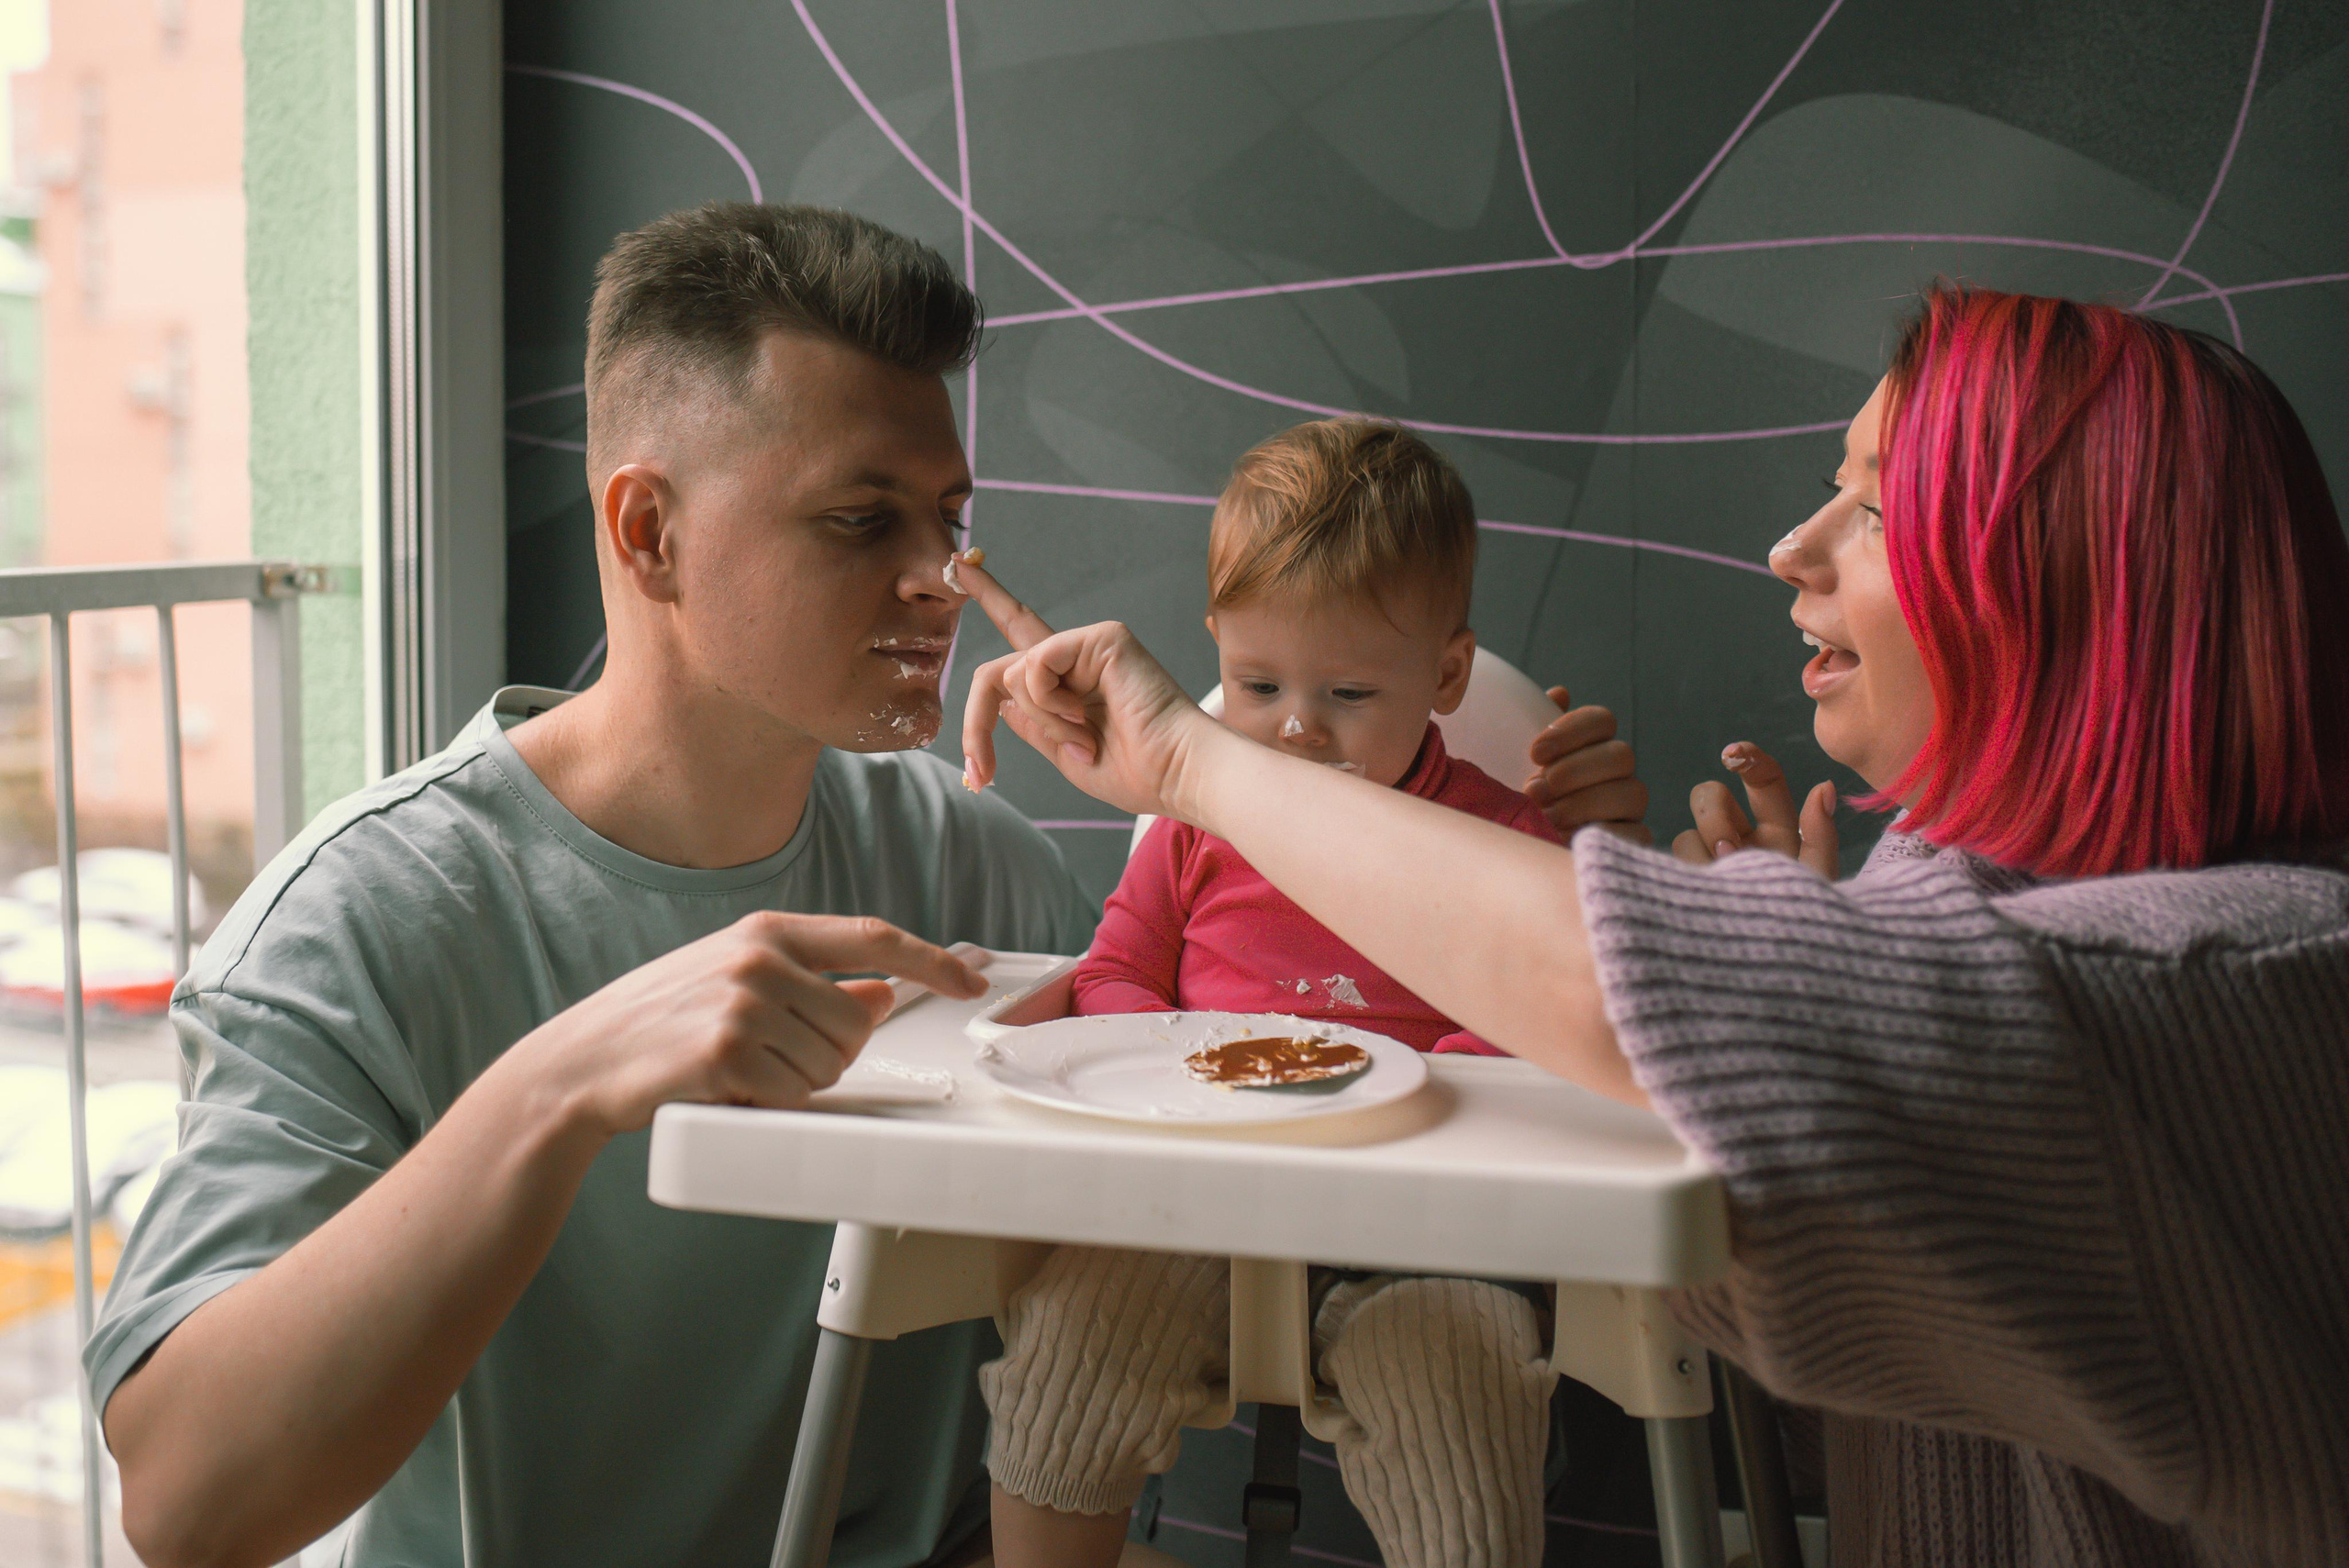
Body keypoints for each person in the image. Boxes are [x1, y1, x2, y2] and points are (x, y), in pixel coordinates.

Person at [959, 285, 2349, 1566]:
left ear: (2078, 579)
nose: (1791, 546)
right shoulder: (1983, 898)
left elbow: (1644, 997)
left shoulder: (2243, 973)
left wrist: (1193, 760)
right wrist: (1784, 955)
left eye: (1877, 507)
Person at [90, 203, 1097, 1568]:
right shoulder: (359, 922)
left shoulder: (984, 873)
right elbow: (188, 1506)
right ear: (648, 531)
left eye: (950, 518)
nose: (945, 582)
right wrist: (558, 1089)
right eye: (864, 519)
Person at [984, 420, 1567, 1568]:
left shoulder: (1499, 843)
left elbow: (1536, 1011)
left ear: (1446, 675)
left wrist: (1421, 1088)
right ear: (1215, 648)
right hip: (1198, 1195)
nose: (1297, 725)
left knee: (1462, 1393)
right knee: (1070, 1343)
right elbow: (1112, 971)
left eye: (1348, 690)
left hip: (1425, 1223)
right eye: (1257, 684)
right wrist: (1180, 1066)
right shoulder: (1195, 827)